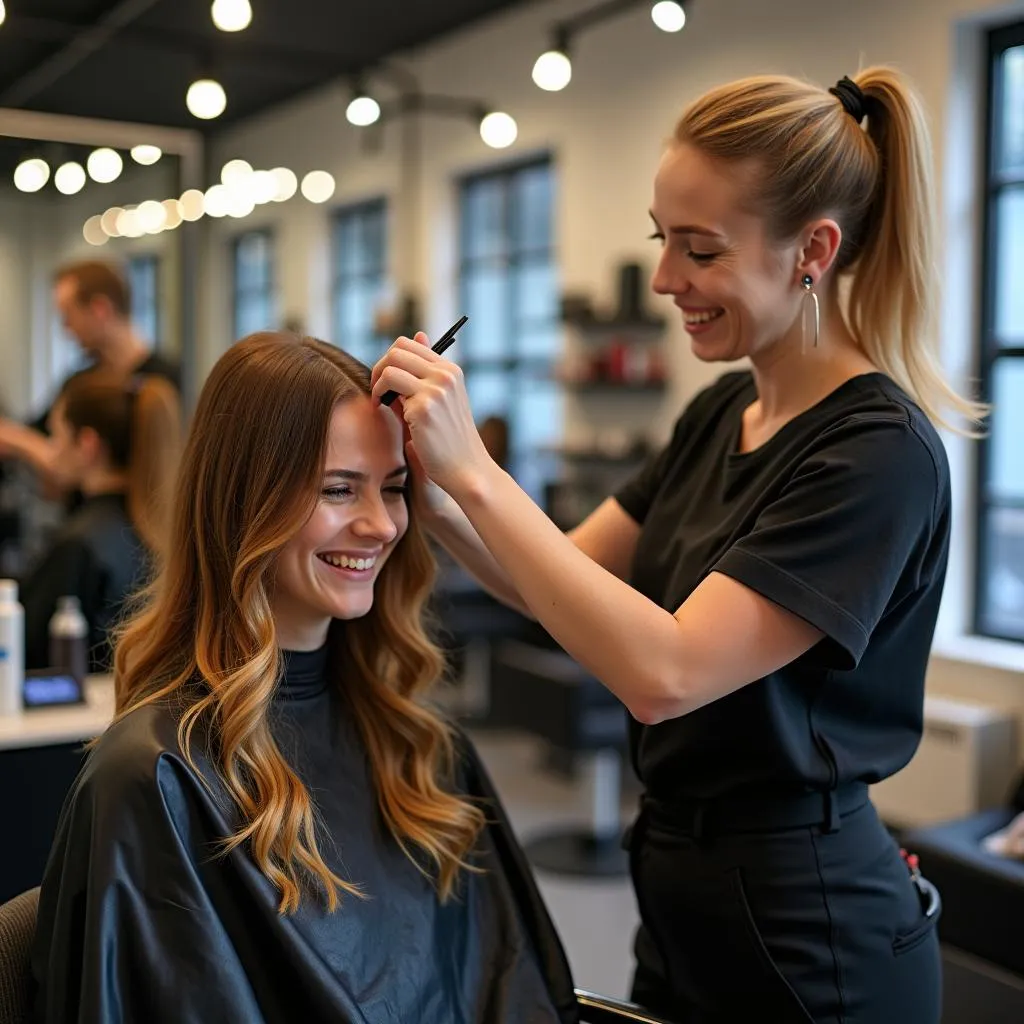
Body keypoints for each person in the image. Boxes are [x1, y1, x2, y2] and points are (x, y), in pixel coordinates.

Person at [371, 68, 984, 1023]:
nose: (665, 282)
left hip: (810, 933)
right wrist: (434, 489)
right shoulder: (721, 411)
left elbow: (669, 670)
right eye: (664, 242)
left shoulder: (877, 454)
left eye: (700, 251)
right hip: (677, 892)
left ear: (812, 250)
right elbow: (557, 581)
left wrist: (482, 473)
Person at [32, 333, 577, 1024]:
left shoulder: (415, 742)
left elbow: (515, 987)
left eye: (396, 489)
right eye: (338, 489)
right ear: (244, 504)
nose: (381, 525)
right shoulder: (158, 778)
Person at [19, 370, 181, 673]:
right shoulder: (157, 533)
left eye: (56, 436)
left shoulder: (79, 545)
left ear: (88, 445)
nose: (50, 453)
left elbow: (26, 650)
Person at [0, 259, 180, 491]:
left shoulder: (166, 380)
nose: (67, 330)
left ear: (99, 309)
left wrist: (18, 441)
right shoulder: (79, 383)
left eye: (68, 316)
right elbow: (38, 434)